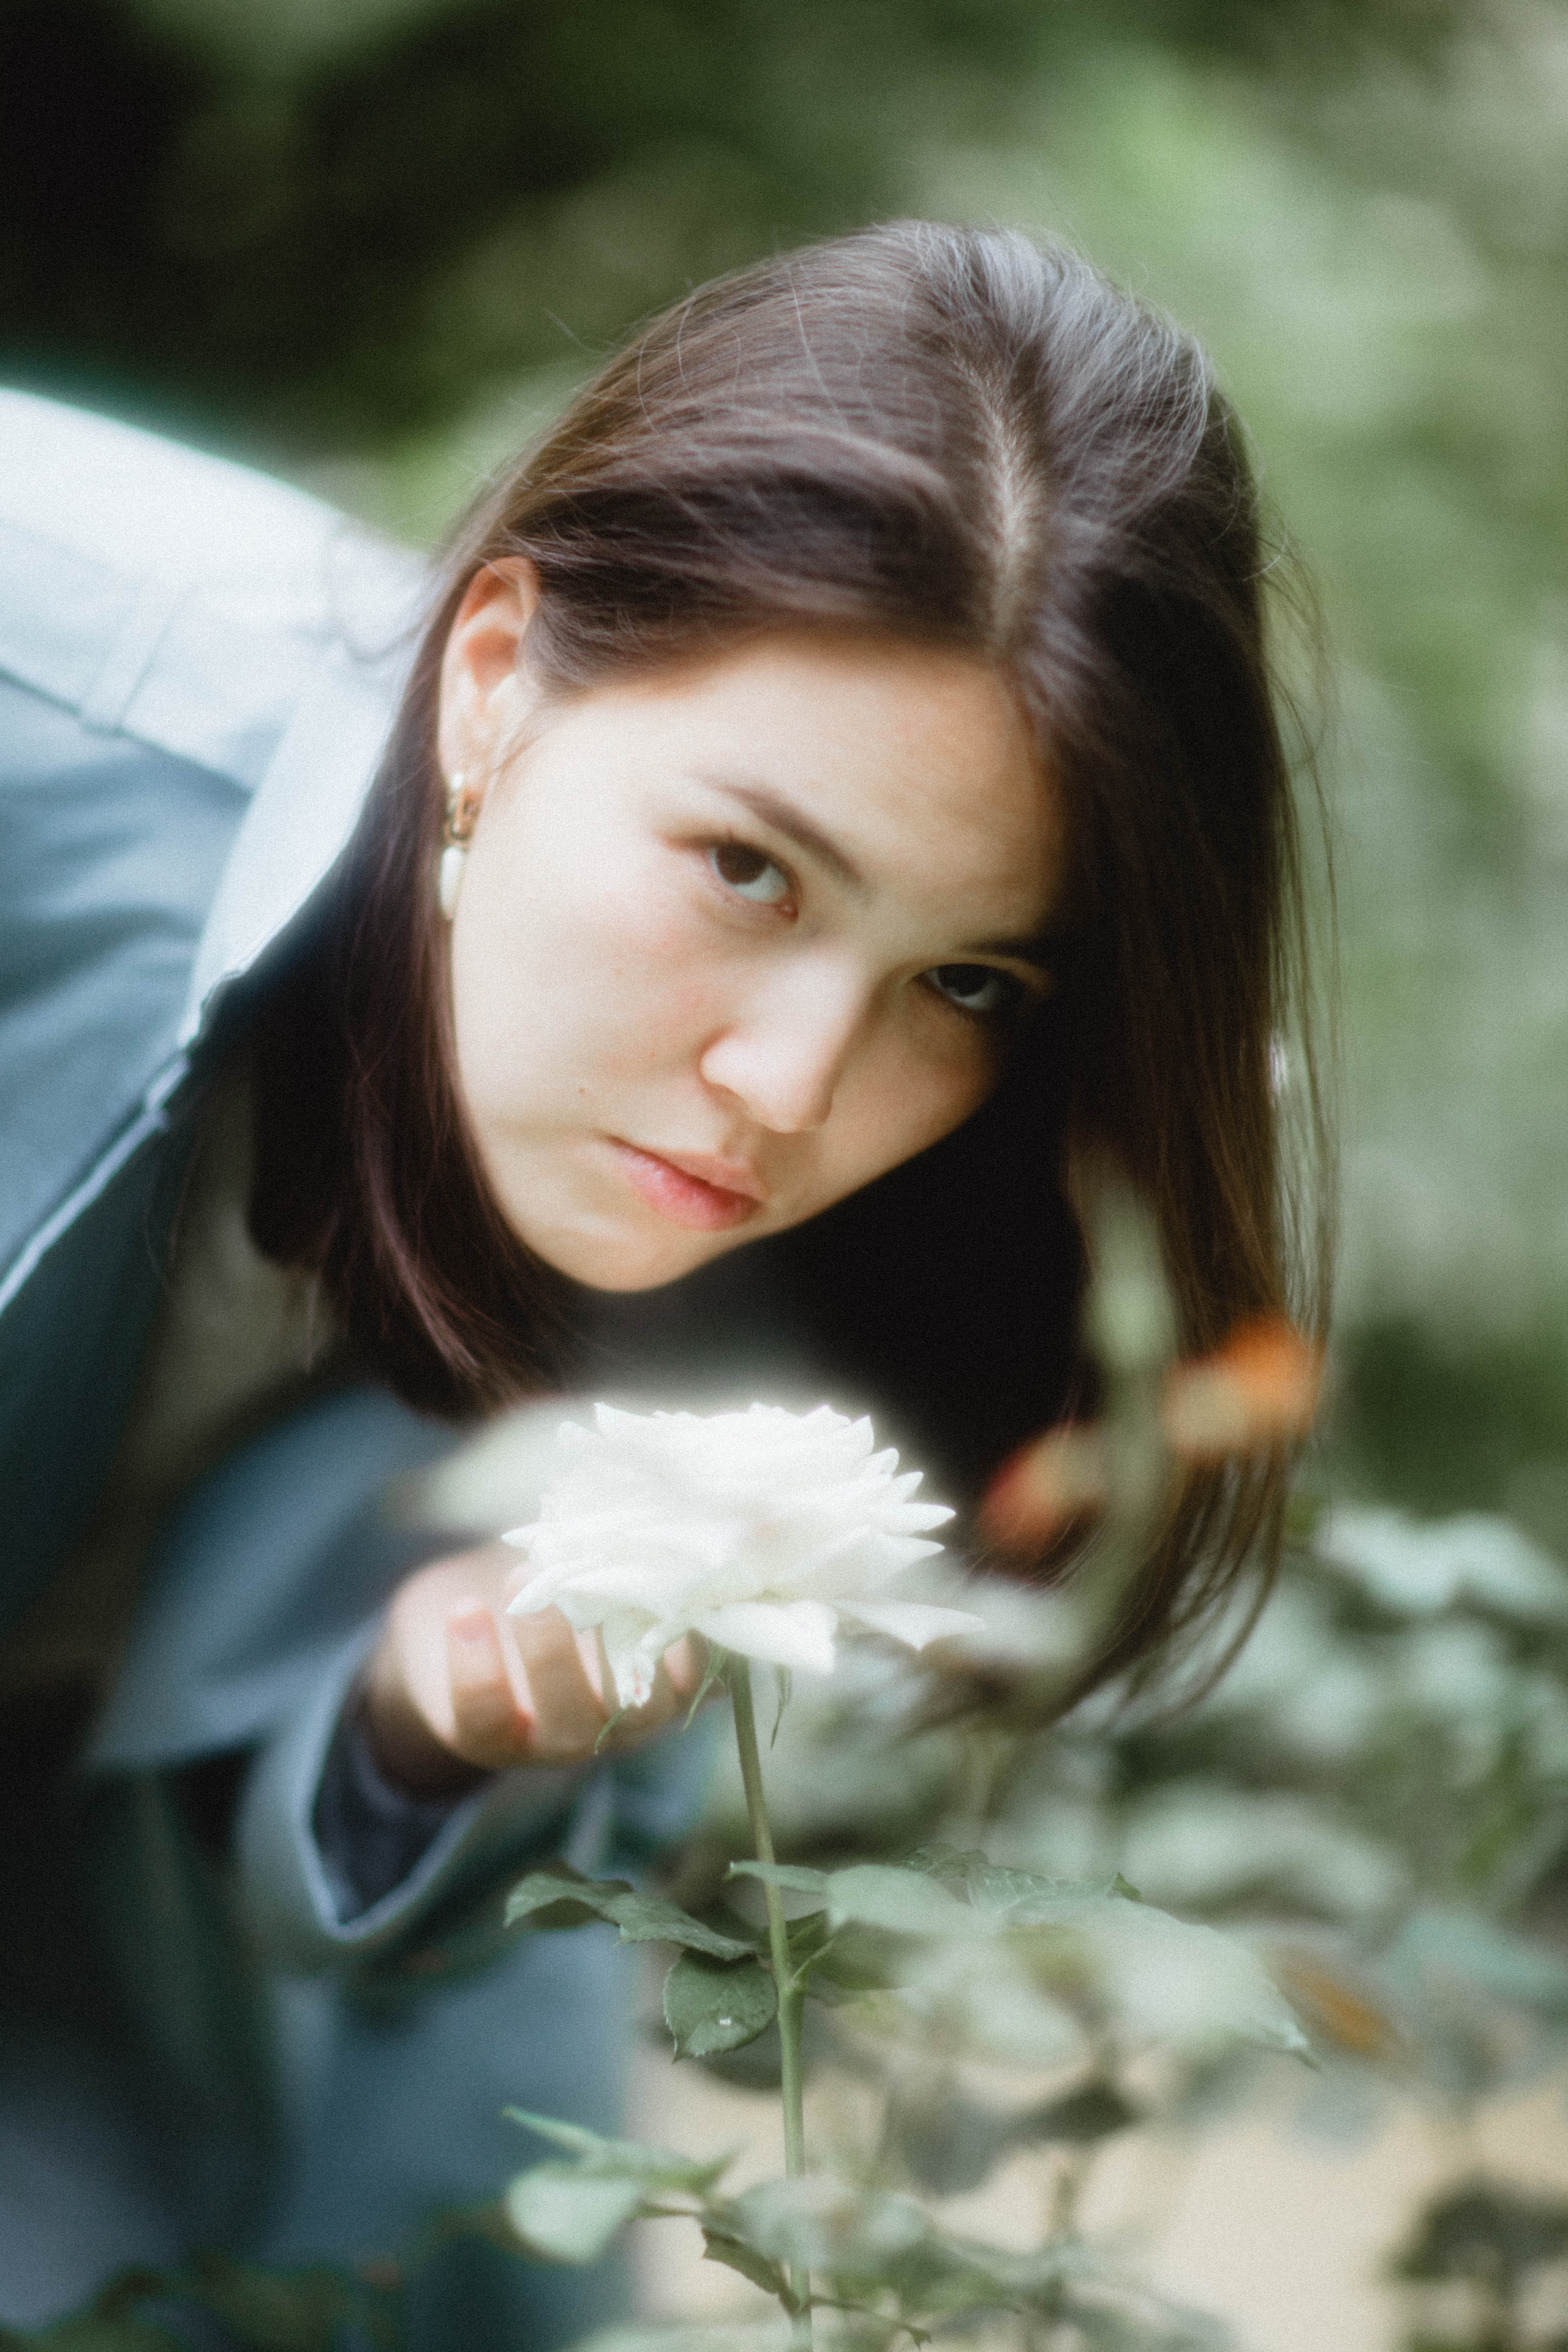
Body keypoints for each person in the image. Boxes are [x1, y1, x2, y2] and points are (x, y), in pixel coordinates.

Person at [0, 221, 1331, 2345]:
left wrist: (422, 1722)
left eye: (962, 977)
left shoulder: (885, 1223)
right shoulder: (38, 719)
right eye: (747, 868)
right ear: (496, 679)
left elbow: (272, 1874)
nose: (794, 1088)